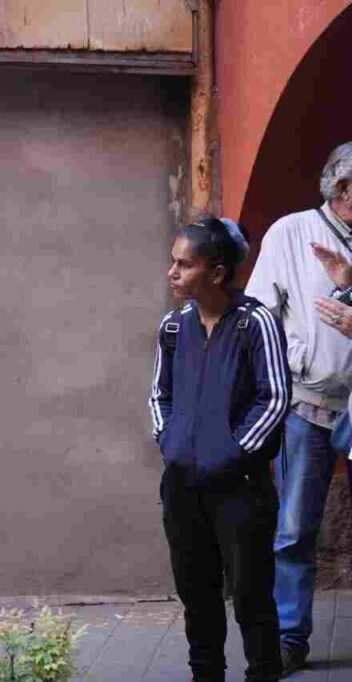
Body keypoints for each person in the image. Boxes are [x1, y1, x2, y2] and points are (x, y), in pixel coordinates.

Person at [150, 216, 289, 682]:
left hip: (240, 489)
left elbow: (274, 398)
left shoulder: (256, 323)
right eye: (173, 262)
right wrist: (170, 441)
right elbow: (159, 395)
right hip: (183, 487)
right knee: (197, 596)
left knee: (251, 596)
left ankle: (263, 673)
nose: (172, 272)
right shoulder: (174, 327)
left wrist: (232, 452)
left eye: (184, 264)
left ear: (216, 272)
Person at [244, 140, 352, 674]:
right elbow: (260, 318)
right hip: (308, 402)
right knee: (294, 528)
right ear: (344, 187)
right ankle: (289, 637)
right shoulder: (291, 233)